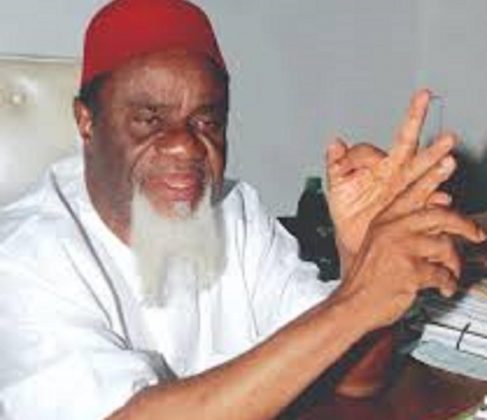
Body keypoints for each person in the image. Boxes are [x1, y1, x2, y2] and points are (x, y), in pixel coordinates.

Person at [0, 0, 483, 419]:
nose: (186, 145)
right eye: (150, 119)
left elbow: (355, 381)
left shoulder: (236, 211)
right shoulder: (22, 258)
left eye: (206, 120)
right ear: (86, 121)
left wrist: (360, 258)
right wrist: (355, 301)